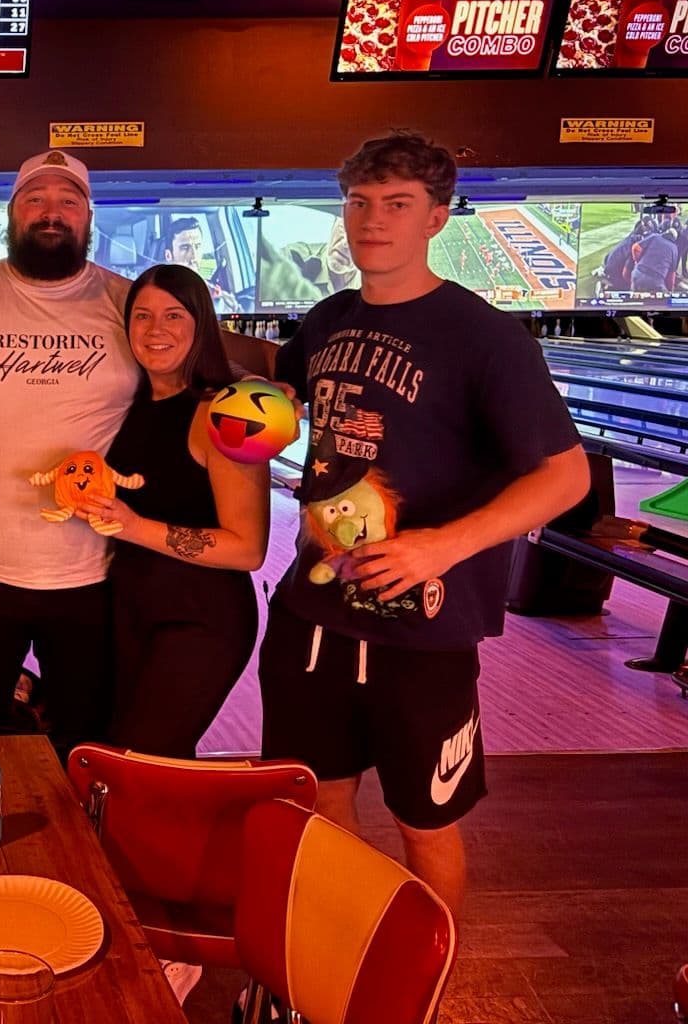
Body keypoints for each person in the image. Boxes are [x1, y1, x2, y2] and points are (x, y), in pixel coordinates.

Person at [262, 131, 589, 912]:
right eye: (360, 202)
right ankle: (325, 964)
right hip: (315, 616)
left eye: (397, 205)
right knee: (317, 805)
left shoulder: (485, 338)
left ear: (437, 218)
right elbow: (270, 379)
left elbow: (566, 475)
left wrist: (443, 546)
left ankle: (423, 989)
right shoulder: (331, 315)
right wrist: (164, 330)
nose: (373, 220)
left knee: (425, 826)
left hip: (425, 634)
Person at [0, 151, 144, 758]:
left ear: (89, 215)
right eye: (35, 198)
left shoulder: (130, 305)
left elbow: (205, 366)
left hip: (96, 575)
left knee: (90, 744)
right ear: (11, 213)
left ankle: (85, 852)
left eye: (68, 200)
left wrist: (276, 380)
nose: (52, 212)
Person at [84, 264, 270, 758]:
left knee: (142, 762)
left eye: (173, 315)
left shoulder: (225, 412)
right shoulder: (136, 400)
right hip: (132, 608)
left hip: (201, 619)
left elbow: (248, 548)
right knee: (135, 765)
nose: (155, 330)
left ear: (200, 325)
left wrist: (132, 525)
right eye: (142, 316)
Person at [162, 216, 242, 313]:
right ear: (168, 255)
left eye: (197, 246)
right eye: (185, 248)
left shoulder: (222, 299)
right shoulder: (156, 297)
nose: (194, 256)